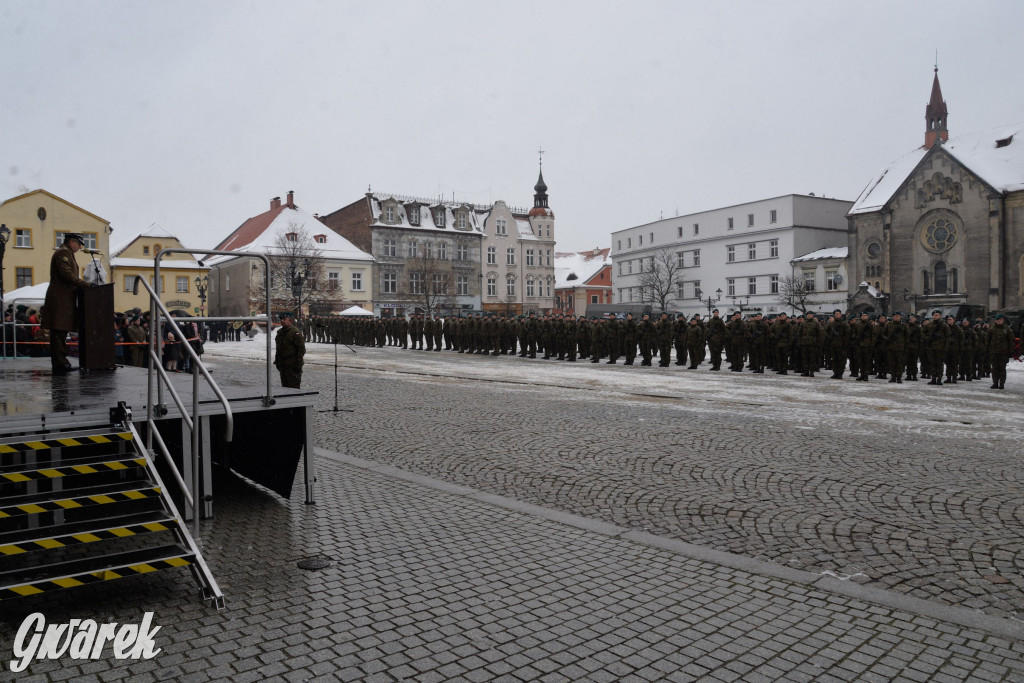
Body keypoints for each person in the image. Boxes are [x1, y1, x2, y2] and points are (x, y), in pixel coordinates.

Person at [42, 232, 92, 373]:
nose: (80, 247)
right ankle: (60, 363)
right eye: (79, 244)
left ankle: (61, 362)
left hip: (63, 299)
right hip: (60, 299)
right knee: (58, 332)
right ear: (71, 242)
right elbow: (67, 275)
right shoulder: (63, 254)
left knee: (61, 332)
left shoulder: (67, 253)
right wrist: (86, 284)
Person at [274, 311, 306, 388]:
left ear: (290, 320)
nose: (282, 321)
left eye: (285, 319)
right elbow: (278, 348)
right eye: (281, 319)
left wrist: (298, 364)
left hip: (292, 365)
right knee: (284, 388)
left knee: (293, 388)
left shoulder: (295, 332)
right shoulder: (280, 332)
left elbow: (301, 349)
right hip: (283, 364)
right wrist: (277, 361)